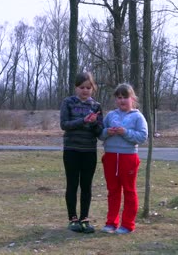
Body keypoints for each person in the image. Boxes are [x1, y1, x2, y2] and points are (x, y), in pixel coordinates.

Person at [99, 83, 148, 234]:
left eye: (125, 97)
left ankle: (127, 225)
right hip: (110, 157)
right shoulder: (110, 115)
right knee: (113, 191)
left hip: (129, 158)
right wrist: (108, 132)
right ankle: (111, 223)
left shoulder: (138, 116)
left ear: (132, 98)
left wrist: (125, 132)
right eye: (118, 98)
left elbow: (142, 137)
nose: (121, 101)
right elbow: (100, 134)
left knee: (129, 190)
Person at [60, 72, 103, 233]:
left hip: (89, 151)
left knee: (86, 185)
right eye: (81, 87)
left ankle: (84, 218)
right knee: (72, 184)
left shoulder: (96, 106)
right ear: (76, 88)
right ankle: (73, 219)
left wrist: (93, 124)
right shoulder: (68, 102)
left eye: (88, 87)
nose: (85, 90)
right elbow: (64, 124)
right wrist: (83, 121)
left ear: (93, 88)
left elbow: (100, 131)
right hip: (71, 150)